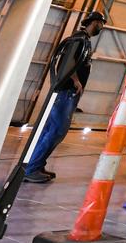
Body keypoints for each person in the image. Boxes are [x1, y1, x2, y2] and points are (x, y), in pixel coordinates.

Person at [23, 11, 105, 183]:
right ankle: (31, 169)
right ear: (94, 22)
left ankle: (36, 165)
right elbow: (67, 62)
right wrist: (75, 80)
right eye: (100, 23)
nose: (101, 27)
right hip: (65, 91)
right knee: (56, 130)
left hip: (68, 93)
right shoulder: (78, 39)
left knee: (53, 131)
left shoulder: (83, 41)